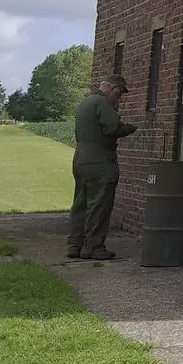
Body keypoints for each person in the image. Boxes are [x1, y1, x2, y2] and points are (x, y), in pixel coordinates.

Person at [67, 73, 138, 260]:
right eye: (119, 94)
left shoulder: (85, 103)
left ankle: (75, 245)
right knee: (99, 204)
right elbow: (112, 128)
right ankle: (93, 247)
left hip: (80, 158)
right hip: (100, 160)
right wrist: (131, 128)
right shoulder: (102, 103)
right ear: (112, 88)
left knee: (81, 203)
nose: (119, 98)